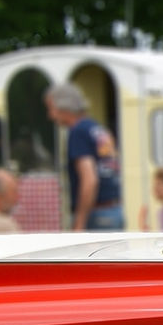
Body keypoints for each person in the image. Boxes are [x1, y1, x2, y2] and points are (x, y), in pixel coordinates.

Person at [44, 82, 123, 230]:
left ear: (64, 106)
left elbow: (89, 180)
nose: (50, 116)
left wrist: (79, 222)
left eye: (51, 108)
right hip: (114, 210)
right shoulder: (96, 128)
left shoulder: (78, 132)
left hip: (97, 216)